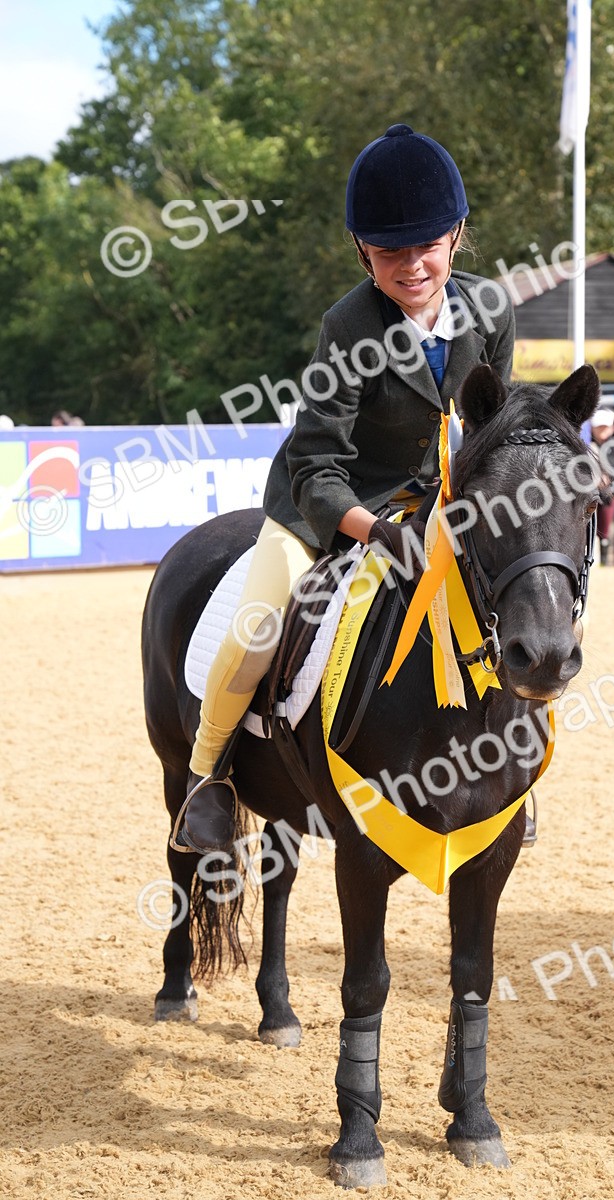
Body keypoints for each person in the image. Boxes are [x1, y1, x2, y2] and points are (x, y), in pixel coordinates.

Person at [175, 123, 516, 854]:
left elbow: (492, 428)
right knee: (257, 626)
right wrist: (375, 530)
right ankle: (209, 776)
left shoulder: (491, 310)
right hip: (327, 503)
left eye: (427, 246)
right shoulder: (349, 325)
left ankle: (506, 773)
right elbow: (315, 463)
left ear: (456, 236)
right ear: (363, 251)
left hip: (439, 505)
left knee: (515, 601)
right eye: (390, 252)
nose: (412, 266)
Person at [590, 407, 614, 566]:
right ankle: (601, 558)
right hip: (593, 492)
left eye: (605, 427)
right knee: (596, 525)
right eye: (600, 427)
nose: (603, 431)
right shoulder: (588, 446)